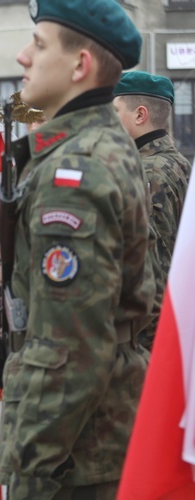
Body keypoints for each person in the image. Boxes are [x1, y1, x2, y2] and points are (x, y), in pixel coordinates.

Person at [0, 0, 155, 497]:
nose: (23, 56)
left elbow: (74, 349)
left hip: (74, 455)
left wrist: (27, 470)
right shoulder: (92, 146)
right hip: (91, 441)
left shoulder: (76, 173)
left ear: (80, 66)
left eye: (39, 45)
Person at [113, 71, 190, 350]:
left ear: (140, 115)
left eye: (115, 111)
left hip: (148, 343)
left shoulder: (147, 171)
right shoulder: (178, 162)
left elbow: (153, 268)